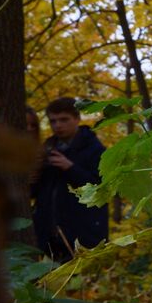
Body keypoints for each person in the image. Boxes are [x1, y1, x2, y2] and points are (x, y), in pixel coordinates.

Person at [31, 97, 107, 260]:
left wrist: (70, 168)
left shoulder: (94, 149)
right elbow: (36, 193)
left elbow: (102, 190)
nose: (58, 125)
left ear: (77, 119)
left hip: (83, 237)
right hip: (48, 237)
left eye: (64, 120)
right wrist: (33, 174)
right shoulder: (48, 148)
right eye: (53, 121)